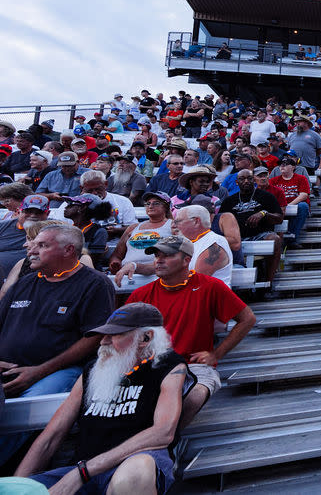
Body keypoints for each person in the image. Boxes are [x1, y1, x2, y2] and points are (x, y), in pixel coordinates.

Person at [14, 303, 187, 494]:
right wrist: (14, 486)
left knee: (135, 471)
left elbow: (163, 433)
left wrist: (83, 472)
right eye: (104, 334)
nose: (103, 341)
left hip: (128, 467)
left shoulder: (169, 367)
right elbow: (51, 436)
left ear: (146, 337)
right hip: (82, 471)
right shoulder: (92, 370)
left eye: (115, 335)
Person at [0, 223, 115, 464]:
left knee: (20, 412)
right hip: (7, 367)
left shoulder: (95, 284)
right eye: (34, 244)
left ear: (68, 250)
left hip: (58, 371)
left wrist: (37, 372)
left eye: (42, 245)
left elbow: (93, 338)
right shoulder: (25, 283)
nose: (31, 250)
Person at [126, 236, 256, 426]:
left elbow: (248, 319)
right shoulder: (141, 294)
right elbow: (122, 333)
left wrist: (216, 354)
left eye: (167, 255)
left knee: (193, 397)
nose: (158, 260)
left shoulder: (210, 286)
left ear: (186, 260)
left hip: (192, 366)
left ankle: (168, 442)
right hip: (150, 365)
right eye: (156, 255)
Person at [221, 169, 284, 286]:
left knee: (275, 239)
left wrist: (263, 213)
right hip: (237, 238)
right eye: (242, 179)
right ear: (236, 182)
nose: (246, 181)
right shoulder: (229, 201)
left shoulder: (266, 196)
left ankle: (268, 283)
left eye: (249, 178)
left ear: (253, 180)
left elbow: (279, 218)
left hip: (260, 236)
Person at [110, 191, 174, 286]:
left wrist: (136, 267)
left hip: (156, 274)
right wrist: (115, 263)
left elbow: (175, 257)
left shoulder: (173, 226)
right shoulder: (133, 227)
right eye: (148, 203)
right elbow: (117, 255)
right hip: (127, 274)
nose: (150, 206)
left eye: (156, 203)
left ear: (166, 207)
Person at [173, 205, 233, 285]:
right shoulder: (191, 242)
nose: (174, 225)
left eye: (178, 221)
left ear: (196, 221)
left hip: (210, 296)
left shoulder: (214, 243)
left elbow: (195, 281)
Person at [0, 193, 50, 276]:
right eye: (28, 211)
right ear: (19, 211)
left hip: (30, 274)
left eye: (39, 212)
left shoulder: (53, 229)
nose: (33, 215)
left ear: (47, 214)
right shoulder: (3, 226)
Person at [269, 156, 310, 246]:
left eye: (285, 164)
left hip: (295, 205)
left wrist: (288, 205)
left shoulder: (301, 178)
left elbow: (304, 195)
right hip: (279, 206)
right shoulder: (273, 181)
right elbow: (269, 196)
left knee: (303, 206)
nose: (282, 166)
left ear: (293, 167)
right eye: (280, 165)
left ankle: (292, 236)